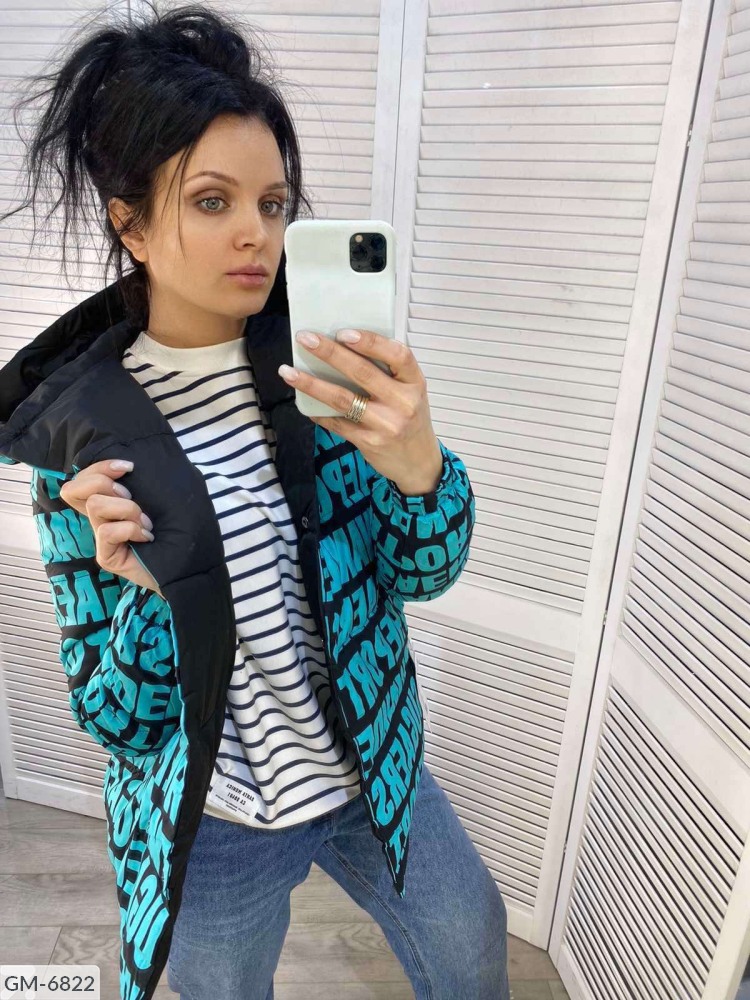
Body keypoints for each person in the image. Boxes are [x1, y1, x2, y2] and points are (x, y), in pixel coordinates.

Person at [0, 3, 511, 998]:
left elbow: (425, 573)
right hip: (216, 819)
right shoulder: (82, 440)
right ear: (130, 224)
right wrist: (153, 600)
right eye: (211, 200)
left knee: (471, 942)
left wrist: (420, 466)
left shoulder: (323, 374)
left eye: (273, 204)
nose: (256, 234)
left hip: (370, 764)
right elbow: (114, 720)